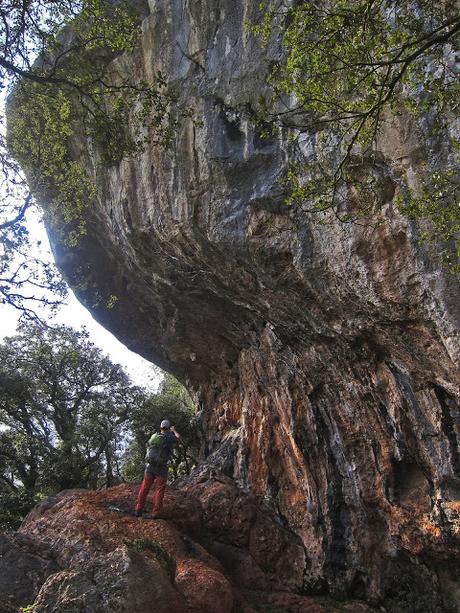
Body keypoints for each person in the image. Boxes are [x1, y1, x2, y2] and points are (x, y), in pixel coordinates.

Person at [134, 419, 181, 518]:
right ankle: (156, 512)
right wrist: (174, 430)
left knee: (144, 488)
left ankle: (138, 510)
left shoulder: (154, 436)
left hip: (149, 466)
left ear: (160, 428)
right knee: (159, 489)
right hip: (161, 467)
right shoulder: (169, 437)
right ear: (168, 428)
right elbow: (178, 438)